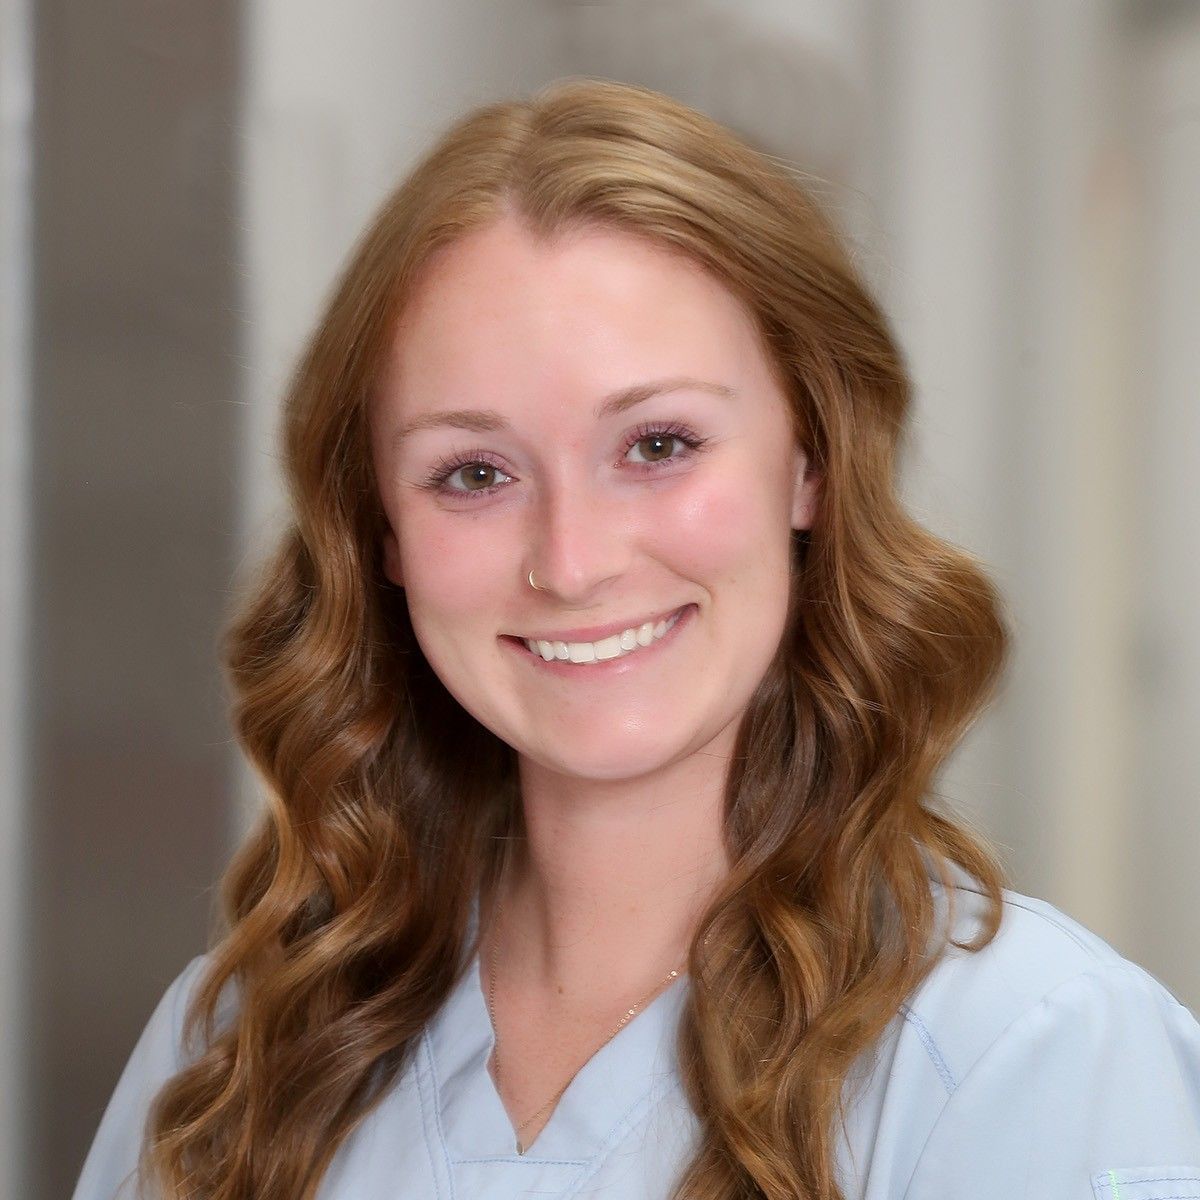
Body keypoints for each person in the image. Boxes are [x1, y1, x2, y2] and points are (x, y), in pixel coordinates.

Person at [72, 77, 1200, 1200]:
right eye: (474, 473)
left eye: (658, 445)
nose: (572, 562)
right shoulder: (231, 1058)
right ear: (381, 533)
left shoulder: (1027, 1055)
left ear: (809, 462)